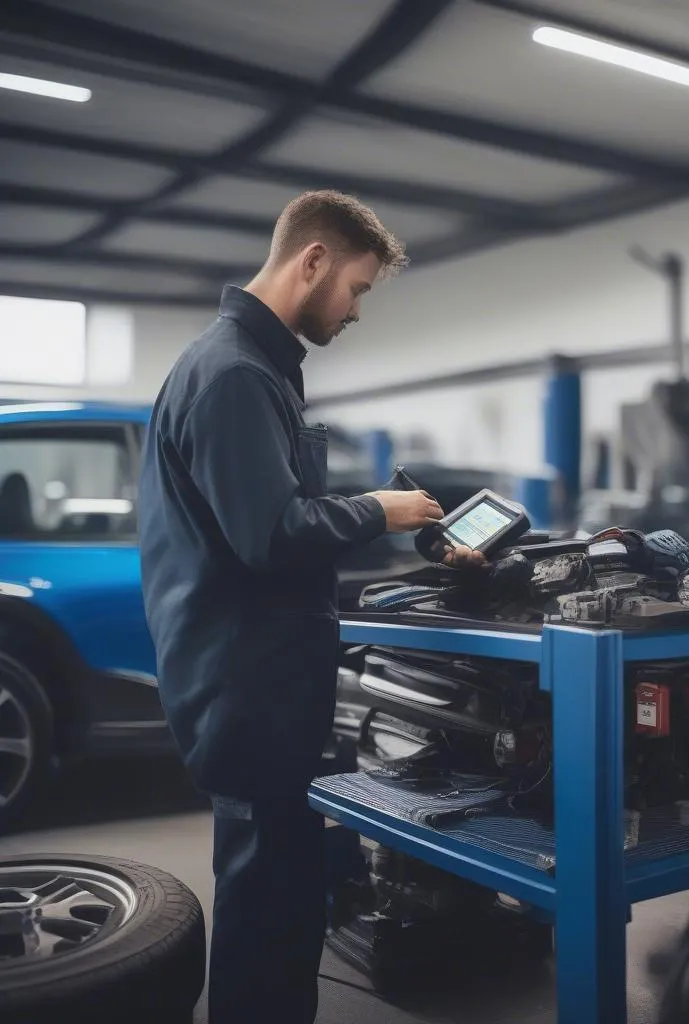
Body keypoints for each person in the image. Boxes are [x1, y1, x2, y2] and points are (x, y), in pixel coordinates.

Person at [137, 190, 483, 1024]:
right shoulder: (232, 376)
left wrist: (401, 536)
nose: (358, 310)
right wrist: (381, 510)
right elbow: (269, 534)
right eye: (358, 289)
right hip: (245, 687)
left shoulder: (251, 370)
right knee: (266, 901)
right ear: (314, 261)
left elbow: (272, 531)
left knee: (285, 891)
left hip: (256, 677)